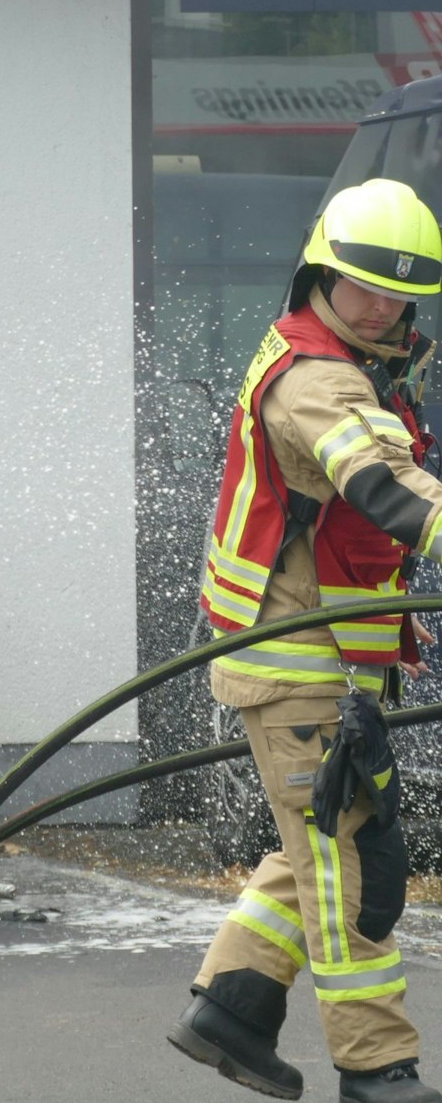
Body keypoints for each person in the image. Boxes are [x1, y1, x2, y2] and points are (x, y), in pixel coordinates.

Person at [176, 178, 442, 1103]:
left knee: (316, 843)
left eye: (401, 292)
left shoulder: (353, 354)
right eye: (363, 284)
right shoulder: (319, 379)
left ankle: (232, 1010)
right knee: (348, 869)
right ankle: (379, 1069)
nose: (383, 306)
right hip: (299, 671)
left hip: (325, 660)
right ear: (320, 272)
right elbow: (385, 487)